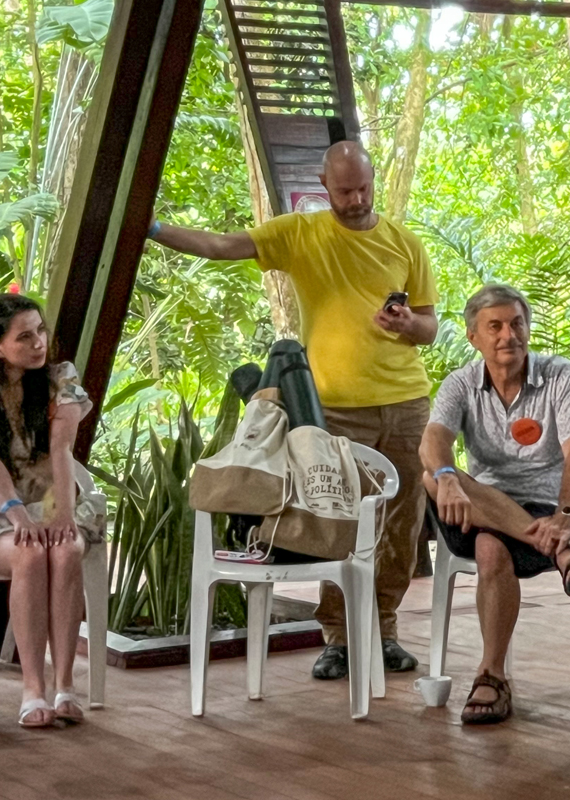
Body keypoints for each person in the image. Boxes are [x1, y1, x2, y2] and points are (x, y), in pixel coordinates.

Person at [149, 141, 437, 679]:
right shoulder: (300, 233)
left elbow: (429, 326)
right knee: (338, 520)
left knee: (402, 524)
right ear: (324, 186)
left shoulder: (405, 243)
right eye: (345, 190)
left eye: (364, 188)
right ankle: (338, 638)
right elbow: (221, 245)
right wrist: (154, 228)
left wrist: (407, 324)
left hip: (406, 404)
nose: (357, 200)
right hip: (335, 409)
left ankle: (384, 630)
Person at [419, 284, 570, 725]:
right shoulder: (461, 383)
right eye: (495, 326)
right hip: (479, 506)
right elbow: (433, 440)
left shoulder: (561, 375)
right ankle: (562, 551)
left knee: (489, 547)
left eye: (517, 324)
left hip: (547, 506)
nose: (508, 335)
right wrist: (448, 478)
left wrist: (566, 515)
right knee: (430, 475)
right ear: (473, 337)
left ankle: (492, 676)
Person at [0, 293, 105, 727]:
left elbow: (62, 449)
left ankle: (65, 687)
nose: (38, 343)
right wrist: (19, 517)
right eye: (25, 337)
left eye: (40, 331)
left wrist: (63, 513)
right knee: (29, 553)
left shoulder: (60, 379)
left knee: (66, 550)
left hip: (53, 501)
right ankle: (33, 691)